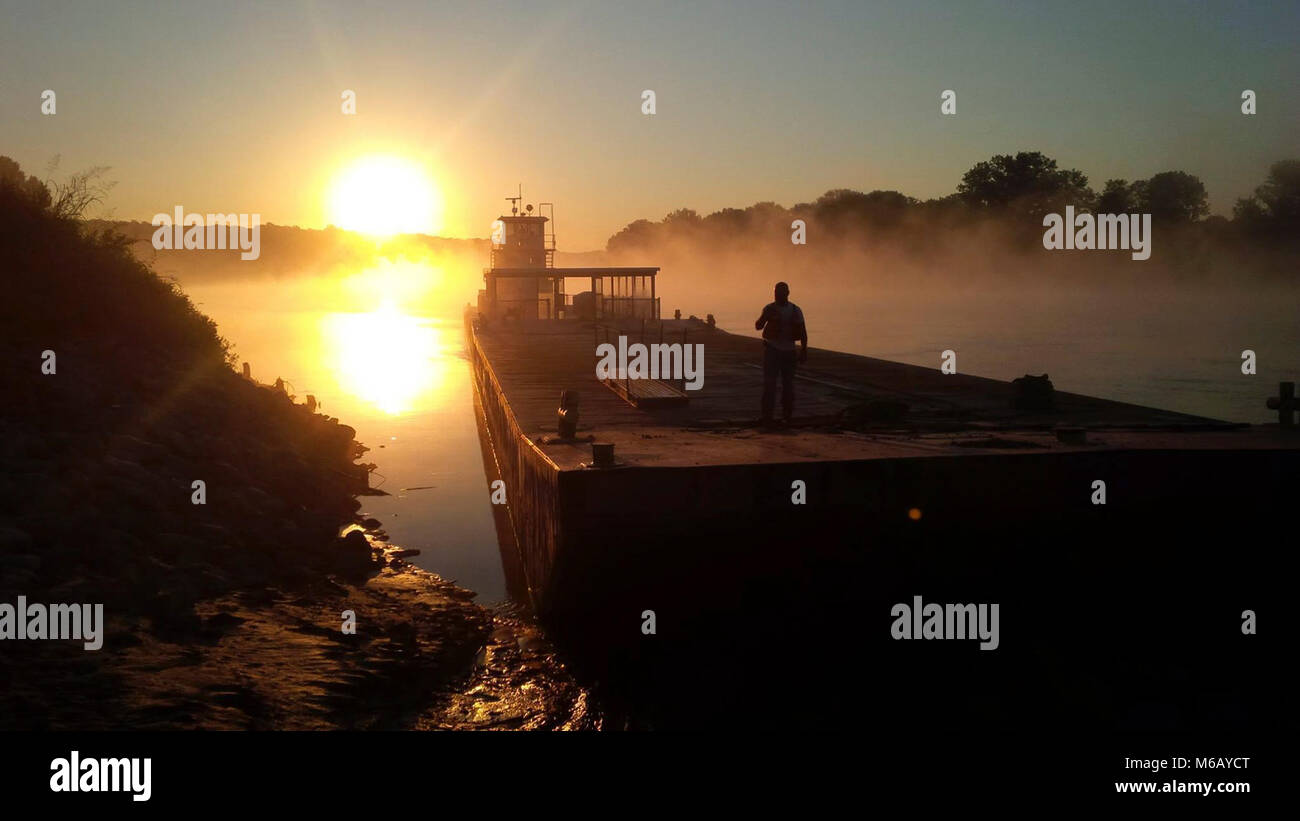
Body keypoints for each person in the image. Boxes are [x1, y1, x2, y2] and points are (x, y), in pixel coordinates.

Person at [755, 281, 807, 425]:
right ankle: (767, 416)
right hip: (772, 350)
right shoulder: (769, 308)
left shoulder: (796, 310)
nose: (779, 295)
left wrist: (804, 349)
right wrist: (766, 317)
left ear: (788, 293)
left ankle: (787, 415)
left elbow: (803, 331)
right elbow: (758, 326)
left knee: (788, 385)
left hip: (789, 352)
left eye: (782, 293)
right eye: (777, 293)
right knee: (769, 384)